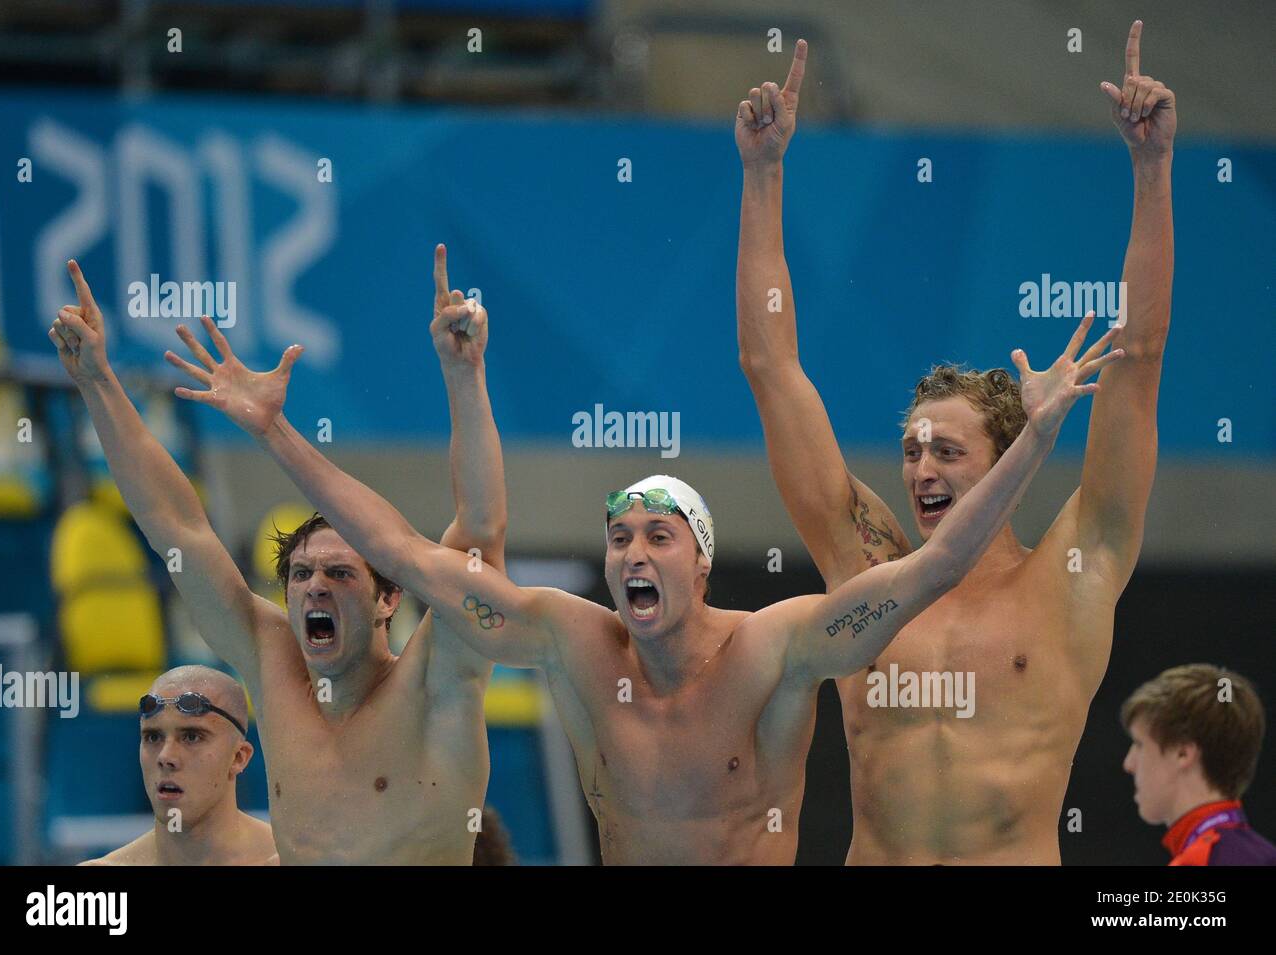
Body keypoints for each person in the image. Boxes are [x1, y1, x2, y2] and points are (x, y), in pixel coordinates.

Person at [168, 297, 1119, 862]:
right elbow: (417, 555)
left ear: (699, 560)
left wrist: (1037, 437)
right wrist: (274, 432)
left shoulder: (778, 647)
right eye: (617, 536)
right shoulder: (572, 640)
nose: (630, 555)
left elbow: (940, 563)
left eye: (655, 536)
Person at [733, 23, 1173, 863]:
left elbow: (1139, 361)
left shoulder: (1076, 573)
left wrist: (1151, 173)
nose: (920, 469)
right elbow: (771, 366)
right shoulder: (866, 572)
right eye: (911, 450)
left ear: (1011, 455)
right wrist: (763, 175)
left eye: (947, 451)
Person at [49, 247, 505, 864]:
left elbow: (479, 531)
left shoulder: (438, 679)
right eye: (300, 574)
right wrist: (99, 382)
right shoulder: (274, 667)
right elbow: (177, 528)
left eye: (341, 573)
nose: (315, 587)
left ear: (389, 597)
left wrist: (464, 376)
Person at [81, 665, 277, 865]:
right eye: (153, 737)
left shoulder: (294, 860)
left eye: (191, 737)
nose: (165, 757)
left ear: (238, 758)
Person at [1121, 664, 1276, 866]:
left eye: (1139, 744)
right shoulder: (1261, 854)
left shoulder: (1200, 860)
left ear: (1183, 753)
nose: (1128, 764)